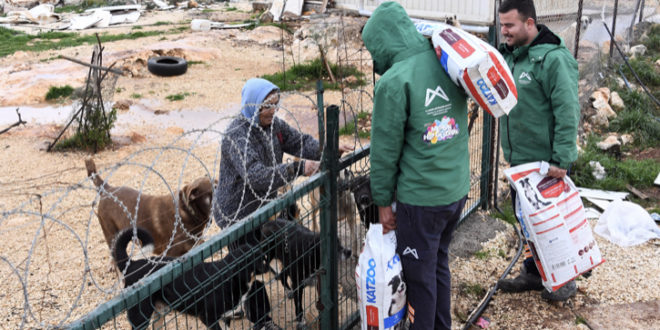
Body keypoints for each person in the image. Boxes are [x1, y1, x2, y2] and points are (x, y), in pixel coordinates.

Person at [362, 2, 470, 329]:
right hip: (455, 191)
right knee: (437, 266)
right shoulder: (445, 59)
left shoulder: (394, 82)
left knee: (418, 281)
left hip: (422, 200)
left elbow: (384, 150)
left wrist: (382, 201)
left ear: (382, 42)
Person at [496, 0, 580, 301]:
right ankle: (534, 272)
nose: (503, 31)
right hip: (519, 163)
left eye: (509, 25)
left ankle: (565, 279)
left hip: (546, 164)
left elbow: (568, 111)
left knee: (552, 224)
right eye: (501, 24)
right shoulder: (511, 57)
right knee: (528, 221)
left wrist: (561, 159)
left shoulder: (553, 60)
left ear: (529, 24)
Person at [213, 78, 352, 248]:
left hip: (262, 207)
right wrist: (299, 168)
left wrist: (328, 149)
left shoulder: (273, 125)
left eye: (275, 105)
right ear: (253, 104)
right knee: (246, 264)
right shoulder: (236, 135)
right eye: (267, 106)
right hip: (238, 215)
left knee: (264, 254)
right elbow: (256, 175)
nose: (273, 111)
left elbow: (299, 142)